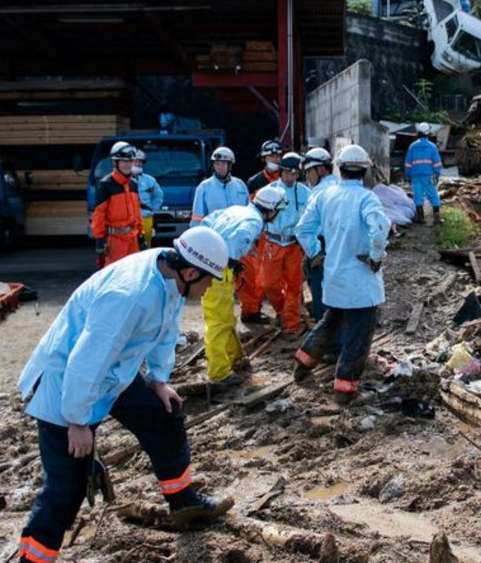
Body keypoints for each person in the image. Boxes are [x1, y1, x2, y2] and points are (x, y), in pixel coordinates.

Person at [15, 228, 235, 563]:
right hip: (65, 386)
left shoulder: (171, 275)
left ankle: (184, 503)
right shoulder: (129, 295)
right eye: (210, 281)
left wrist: (159, 381)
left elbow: (166, 329)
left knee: (165, 416)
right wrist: (77, 421)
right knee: (67, 488)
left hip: (112, 374)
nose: (210, 288)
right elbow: (85, 360)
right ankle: (33, 559)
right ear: (191, 273)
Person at [292, 145, 391, 404]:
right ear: (365, 169)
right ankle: (344, 391)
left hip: (334, 277)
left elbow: (303, 229)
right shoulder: (366, 198)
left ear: (340, 168)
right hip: (360, 283)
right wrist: (376, 257)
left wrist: (316, 252)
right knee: (358, 337)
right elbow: (380, 228)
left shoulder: (324, 196)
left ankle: (302, 364)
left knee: (331, 321)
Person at [200, 186, 286, 385]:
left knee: (225, 318)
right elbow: (240, 238)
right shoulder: (254, 221)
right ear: (271, 210)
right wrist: (232, 260)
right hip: (218, 269)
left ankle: (236, 359)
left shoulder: (236, 210)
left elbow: (206, 223)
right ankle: (218, 374)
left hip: (211, 263)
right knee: (218, 323)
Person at [261, 152, 310, 337]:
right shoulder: (270, 191)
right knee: (268, 283)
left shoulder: (306, 193)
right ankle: (283, 311)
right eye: (287, 173)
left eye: (295, 173)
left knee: (294, 285)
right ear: (281, 172)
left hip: (294, 245)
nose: (291, 177)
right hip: (272, 242)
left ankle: (291, 324)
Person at [240, 139, 284, 325]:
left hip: (282, 234)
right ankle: (251, 311)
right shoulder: (254, 182)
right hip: (260, 234)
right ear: (264, 158)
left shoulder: (287, 179)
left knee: (282, 276)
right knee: (252, 275)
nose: (274, 158)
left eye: (277, 155)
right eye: (270, 155)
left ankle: (286, 311)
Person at [91, 141, 143, 268]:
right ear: (115, 163)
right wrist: (99, 244)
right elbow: (98, 216)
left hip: (133, 240)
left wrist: (141, 238)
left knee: (133, 276)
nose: (127, 165)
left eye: (130, 162)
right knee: (115, 277)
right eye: (124, 161)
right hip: (114, 241)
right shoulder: (105, 185)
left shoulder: (133, 184)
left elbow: (137, 214)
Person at [300, 147, 336, 321]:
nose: (307, 177)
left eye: (309, 172)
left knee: (322, 293)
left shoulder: (318, 192)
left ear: (320, 169)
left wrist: (314, 253)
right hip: (342, 246)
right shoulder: (343, 187)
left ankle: (330, 342)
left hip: (322, 245)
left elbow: (303, 229)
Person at [190, 146, 248, 225]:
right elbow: (197, 219)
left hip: (238, 233)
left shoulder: (240, 185)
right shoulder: (204, 187)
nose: (220, 167)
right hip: (215, 234)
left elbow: (249, 213)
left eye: (224, 163)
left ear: (230, 165)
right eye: (217, 164)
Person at [404, 122, 444, 225]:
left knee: (418, 196)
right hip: (429, 175)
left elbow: (408, 163)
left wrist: (408, 174)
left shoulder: (412, 146)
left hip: (415, 176)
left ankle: (420, 218)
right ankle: (436, 219)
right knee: (433, 195)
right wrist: (437, 173)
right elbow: (437, 162)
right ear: (428, 133)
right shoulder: (432, 146)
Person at [131, 148, 164, 248]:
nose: (138, 164)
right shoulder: (124, 180)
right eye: (135, 161)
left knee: (146, 245)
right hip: (129, 221)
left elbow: (159, 196)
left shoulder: (149, 180)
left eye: (140, 162)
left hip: (146, 218)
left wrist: (152, 208)